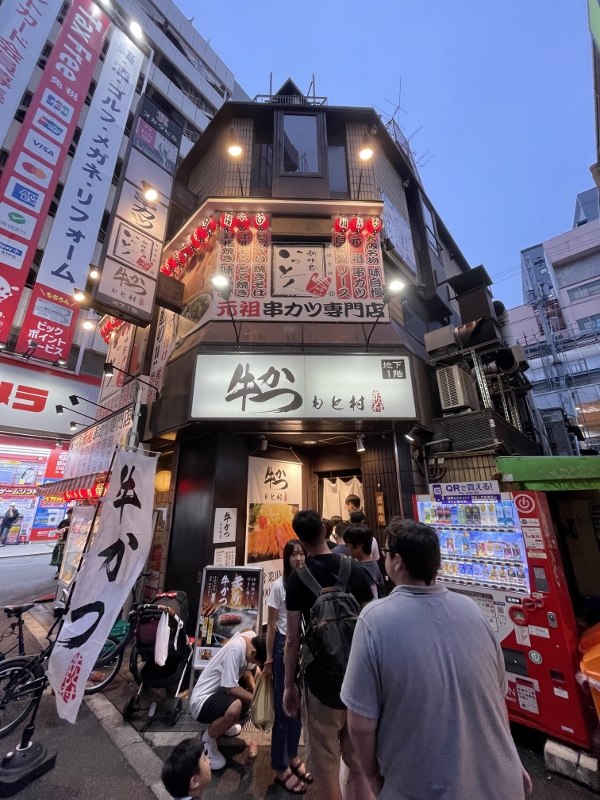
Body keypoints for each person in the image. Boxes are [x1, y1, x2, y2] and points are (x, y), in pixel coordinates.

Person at [341, 518, 533, 800]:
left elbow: (360, 724)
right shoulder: (472, 609)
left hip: (424, 788)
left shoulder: (374, 620)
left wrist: (372, 775)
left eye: (387, 552)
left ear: (398, 562)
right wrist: (511, 756)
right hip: (503, 781)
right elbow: (496, 698)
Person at [284, 509, 375, 800]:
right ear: (325, 531)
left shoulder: (298, 580)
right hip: (359, 682)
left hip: (321, 683)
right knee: (360, 765)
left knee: (325, 768)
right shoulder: (354, 569)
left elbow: (292, 639)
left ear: (301, 539)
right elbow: (371, 623)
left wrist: (289, 684)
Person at [264, 539, 310, 794]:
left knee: (299, 708)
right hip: (283, 646)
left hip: (303, 646)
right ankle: (280, 766)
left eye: (301, 554)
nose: (298, 558)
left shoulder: (307, 583)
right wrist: (269, 659)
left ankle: (292, 755)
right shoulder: (278, 586)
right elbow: (271, 626)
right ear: (286, 559)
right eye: (293, 555)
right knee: (283, 710)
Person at [189, 630, 266, 770]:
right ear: (253, 653)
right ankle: (207, 739)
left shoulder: (250, 638)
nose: (256, 664)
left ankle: (223, 726)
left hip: (218, 695)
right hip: (201, 702)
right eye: (257, 660)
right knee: (235, 707)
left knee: (255, 676)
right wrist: (258, 702)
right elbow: (231, 688)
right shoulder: (235, 649)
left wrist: (258, 694)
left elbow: (250, 672)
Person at [343, 524, 383, 600]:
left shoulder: (354, 568)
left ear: (359, 545)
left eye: (347, 545)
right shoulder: (375, 565)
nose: (346, 548)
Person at [345, 496, 380, 561]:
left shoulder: (348, 539)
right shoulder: (372, 539)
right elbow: (376, 559)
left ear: (350, 521)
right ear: (363, 521)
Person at [51, 507, 72, 577]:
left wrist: (67, 528)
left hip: (71, 541)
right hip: (62, 541)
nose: (69, 515)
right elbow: (58, 528)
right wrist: (57, 531)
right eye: (68, 514)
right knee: (60, 556)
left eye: (71, 514)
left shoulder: (76, 522)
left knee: (68, 557)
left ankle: (66, 571)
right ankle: (59, 570)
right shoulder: (64, 522)